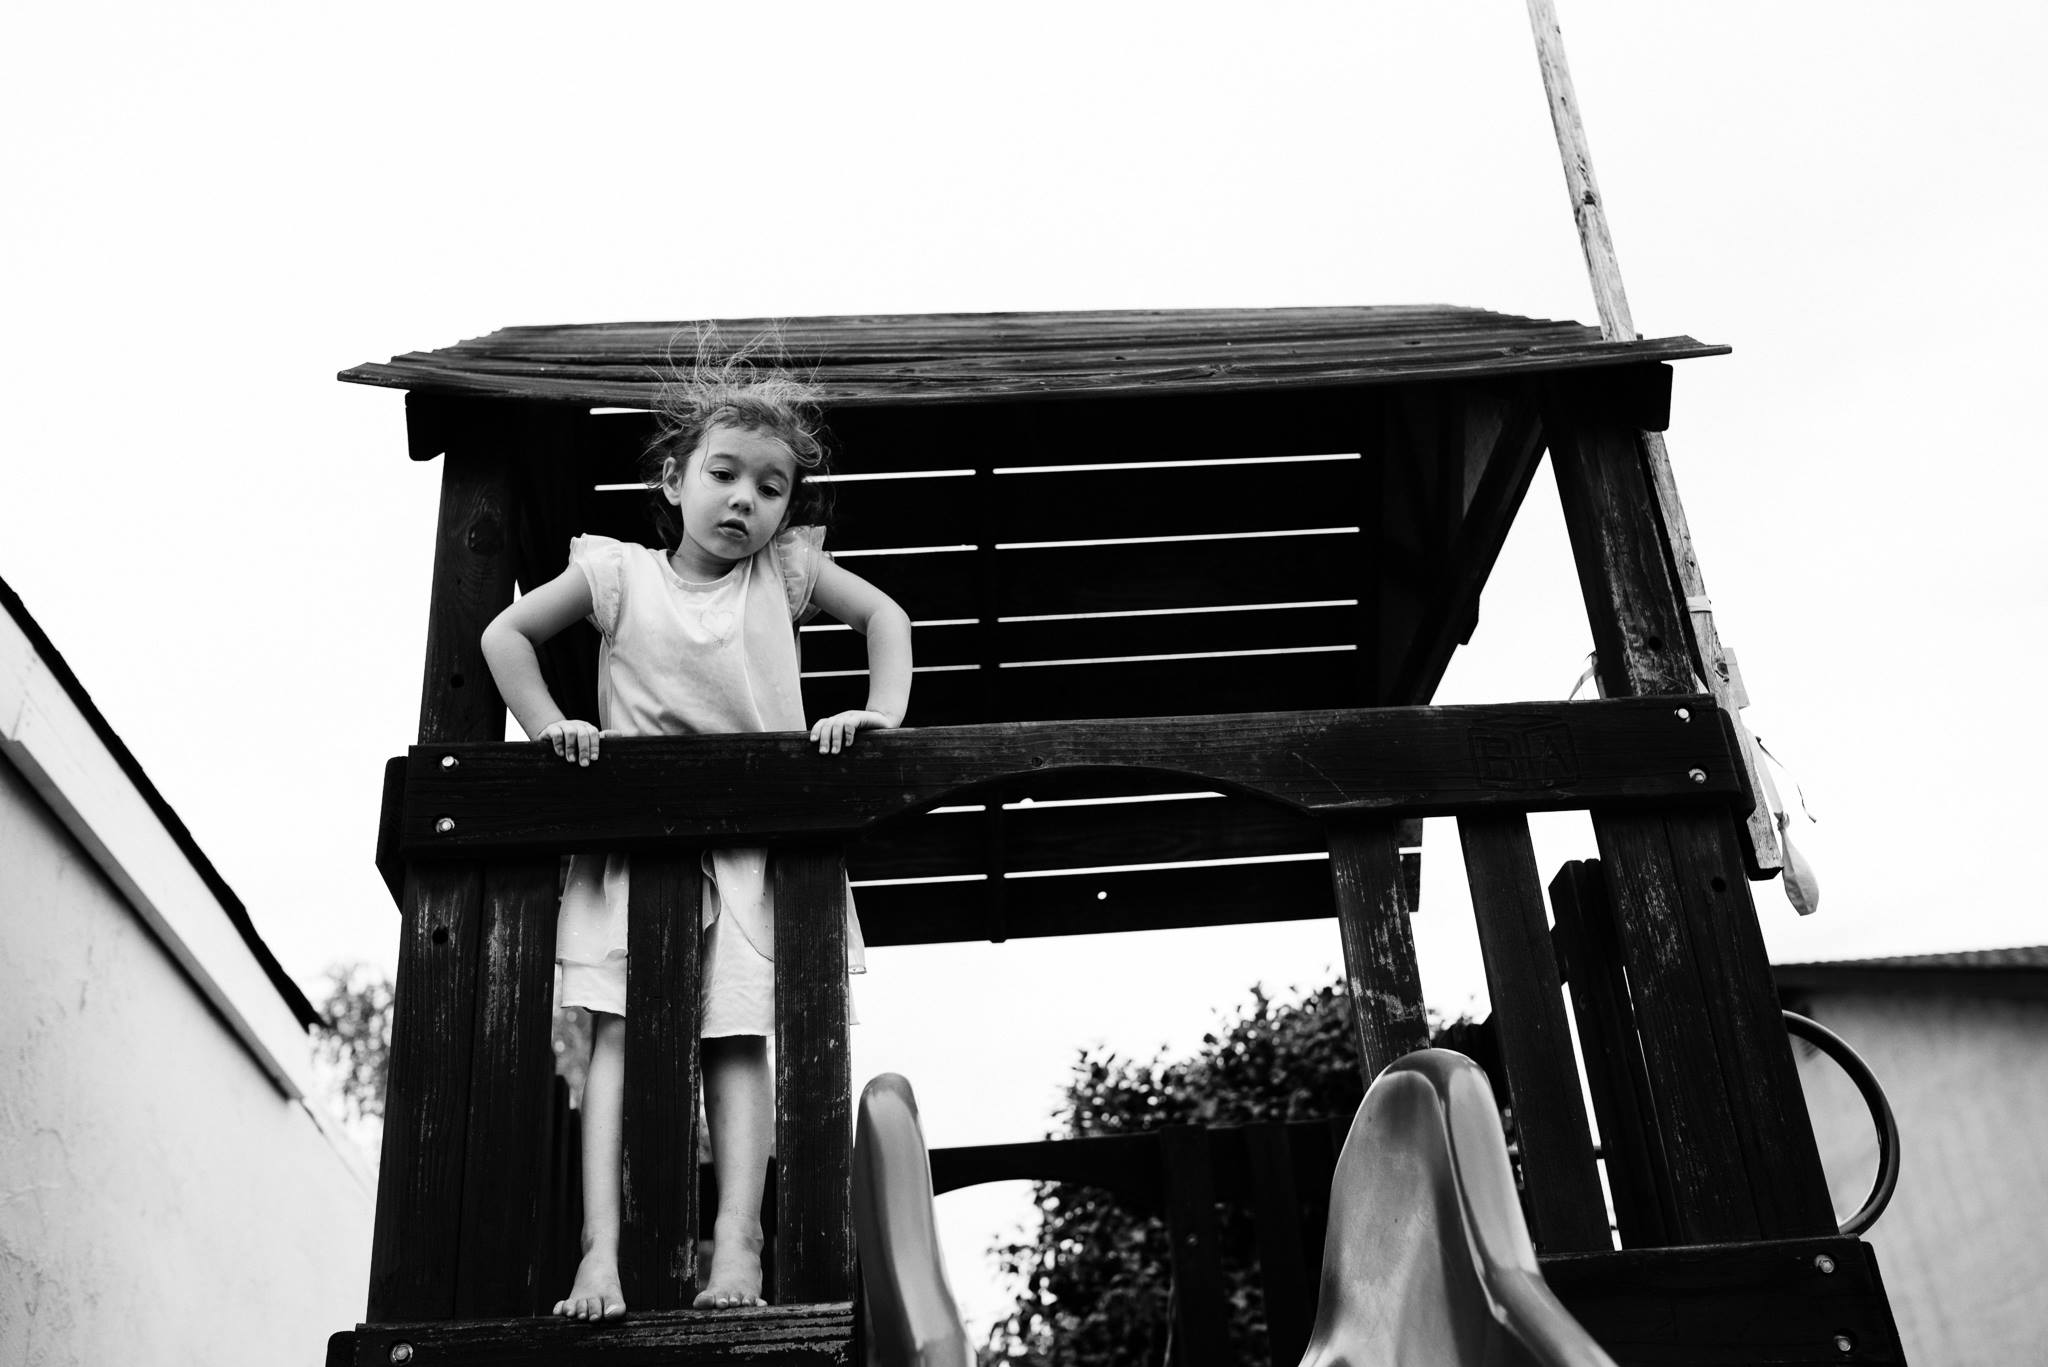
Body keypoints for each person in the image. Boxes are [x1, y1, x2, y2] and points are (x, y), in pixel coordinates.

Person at [481, 359, 912, 1319]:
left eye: (771, 487)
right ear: (674, 480)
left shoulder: (785, 572)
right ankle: (601, 1252)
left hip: (753, 853)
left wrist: (879, 710)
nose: (745, 499)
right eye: (724, 473)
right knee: (619, 1039)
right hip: (639, 857)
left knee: (736, 1039)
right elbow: (504, 637)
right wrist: (554, 722)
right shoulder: (615, 574)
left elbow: (885, 614)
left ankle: (738, 1243)